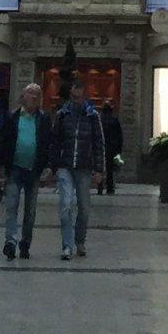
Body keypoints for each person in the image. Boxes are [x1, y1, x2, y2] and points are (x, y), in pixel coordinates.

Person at [51, 75, 104, 259]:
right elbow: (55, 141)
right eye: (74, 97)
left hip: (84, 167)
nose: (76, 101)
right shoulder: (62, 115)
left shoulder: (93, 116)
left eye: (79, 97)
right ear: (70, 95)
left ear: (84, 96)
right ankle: (67, 245)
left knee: (84, 207)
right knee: (65, 205)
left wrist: (99, 169)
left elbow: (99, 143)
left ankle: (80, 240)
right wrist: (53, 166)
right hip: (65, 166)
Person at [0, 82, 52, 259]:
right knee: (11, 206)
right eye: (31, 93)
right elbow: (4, 141)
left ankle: (25, 242)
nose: (34, 97)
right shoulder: (13, 117)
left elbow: (48, 144)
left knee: (30, 210)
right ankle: (10, 242)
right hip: (14, 168)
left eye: (37, 94)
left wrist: (48, 166)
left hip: (33, 170)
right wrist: (0, 167)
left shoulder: (43, 119)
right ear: (23, 96)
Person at [99, 102, 123, 195]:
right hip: (112, 147)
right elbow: (119, 135)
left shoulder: (100, 120)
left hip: (101, 146)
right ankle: (110, 188)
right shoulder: (115, 120)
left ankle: (100, 186)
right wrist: (119, 149)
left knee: (100, 167)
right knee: (110, 169)